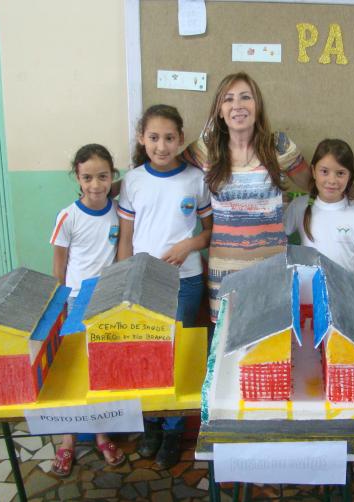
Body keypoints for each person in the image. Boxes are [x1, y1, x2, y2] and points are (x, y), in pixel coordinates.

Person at [117, 104, 213, 469]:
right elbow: (126, 238)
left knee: (178, 354)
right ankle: (151, 424)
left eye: (169, 138)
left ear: (181, 139)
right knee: (147, 352)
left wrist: (189, 245)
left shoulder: (195, 180)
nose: (161, 146)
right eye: (154, 137)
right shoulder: (133, 181)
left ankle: (174, 430)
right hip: (143, 281)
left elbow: (211, 232)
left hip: (185, 280)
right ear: (142, 138)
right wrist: (126, 280)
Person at [183, 72, 310, 322]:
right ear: (220, 111)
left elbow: (315, 184)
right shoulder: (206, 148)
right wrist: (116, 187)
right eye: (228, 99)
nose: (237, 105)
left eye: (245, 97)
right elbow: (167, 171)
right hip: (225, 273)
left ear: (257, 105)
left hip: (272, 269)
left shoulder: (277, 146)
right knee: (227, 343)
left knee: (272, 340)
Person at [50, 144, 125, 477]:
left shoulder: (118, 212)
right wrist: (59, 307)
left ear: (112, 177)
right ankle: (67, 440)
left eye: (103, 177)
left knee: (100, 371)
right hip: (76, 303)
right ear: (77, 178)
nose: (96, 185)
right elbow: (59, 266)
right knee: (74, 372)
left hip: (106, 301)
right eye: (88, 177)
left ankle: (101, 435)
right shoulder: (68, 216)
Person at [284, 138, 354, 306]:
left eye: (340, 173)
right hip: (309, 301)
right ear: (313, 171)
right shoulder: (299, 207)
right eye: (324, 171)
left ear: (350, 176)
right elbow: (277, 244)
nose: (332, 180)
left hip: (350, 301)